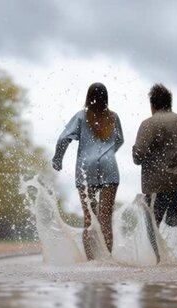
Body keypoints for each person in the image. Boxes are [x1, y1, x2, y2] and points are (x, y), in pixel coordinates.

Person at [132, 83, 177, 262]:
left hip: (158, 183)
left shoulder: (149, 124)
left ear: (152, 104)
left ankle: (157, 259)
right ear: (169, 103)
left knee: (152, 222)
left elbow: (138, 156)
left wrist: (139, 153)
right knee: (174, 219)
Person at [52, 82, 124, 260]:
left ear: (88, 97)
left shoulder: (81, 116)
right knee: (106, 218)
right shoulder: (114, 117)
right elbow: (120, 140)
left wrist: (58, 159)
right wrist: (108, 153)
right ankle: (108, 259)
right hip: (109, 166)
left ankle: (91, 260)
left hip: (86, 168)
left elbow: (63, 138)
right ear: (106, 98)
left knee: (89, 219)